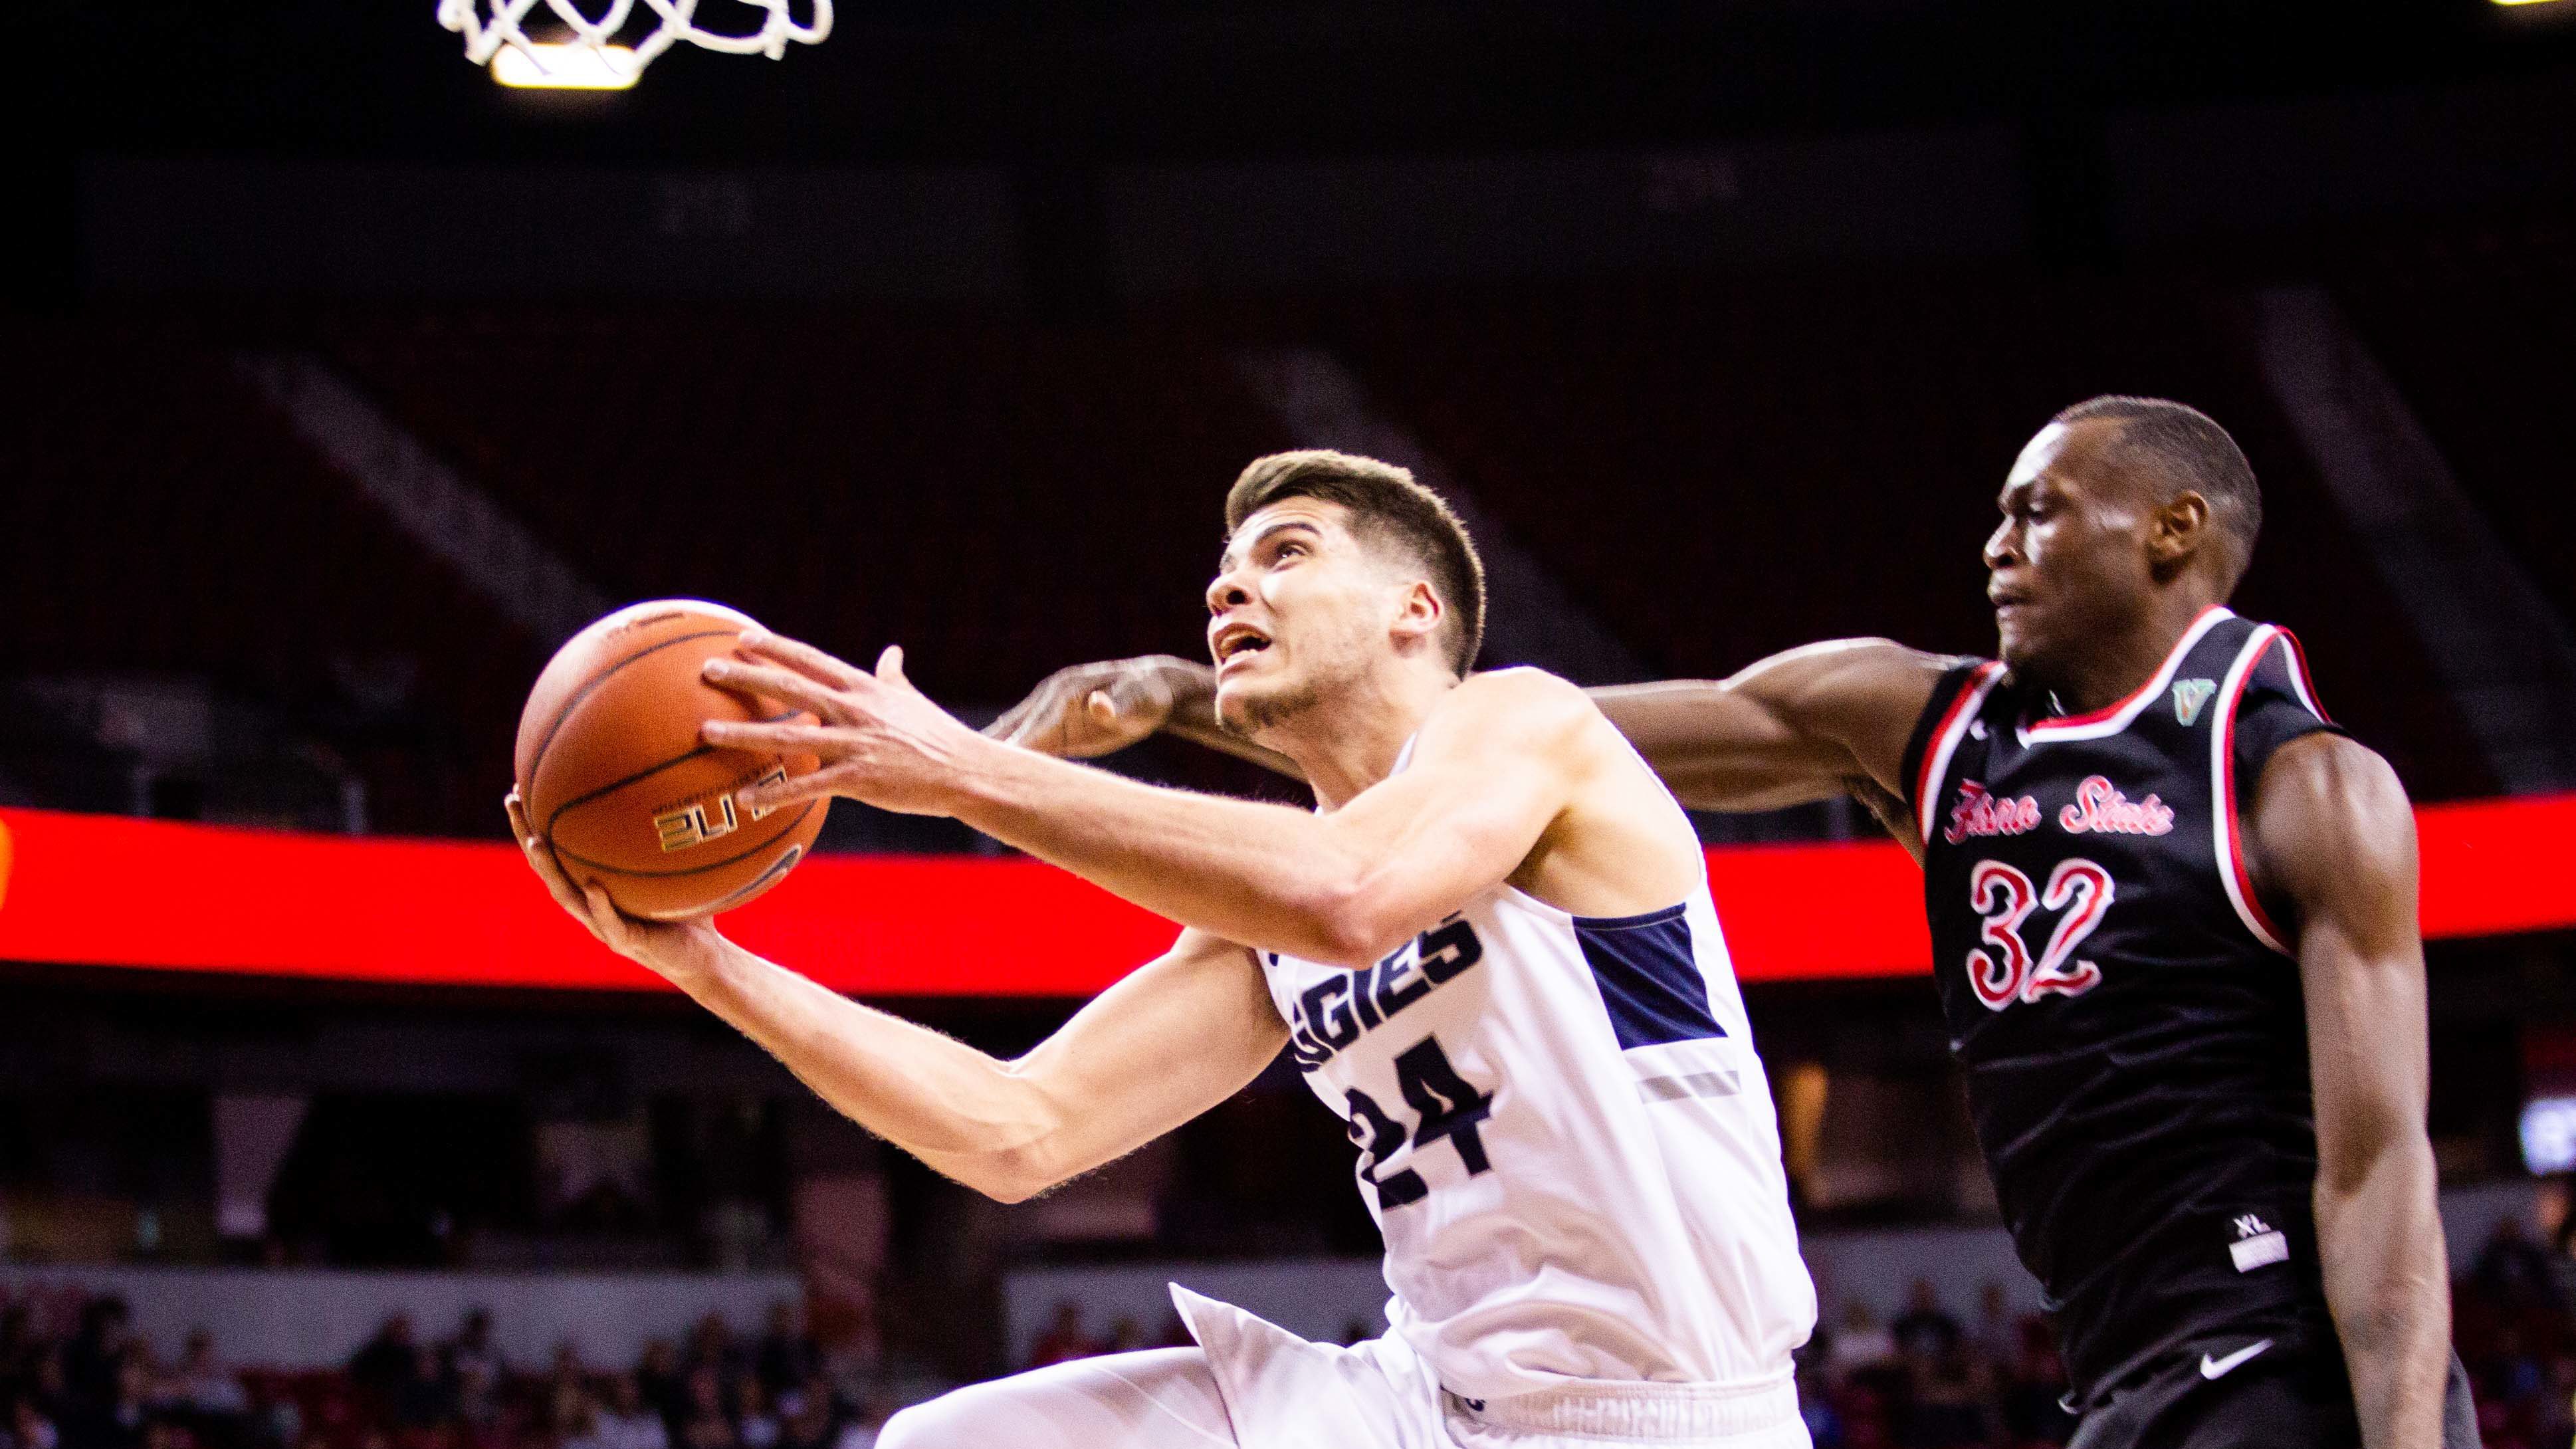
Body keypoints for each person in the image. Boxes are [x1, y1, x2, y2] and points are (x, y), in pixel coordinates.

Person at [992, 399, 2473, 1449]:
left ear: (2173, 530)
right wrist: (1200, 697)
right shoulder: (1925, 718)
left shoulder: (2299, 782)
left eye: (2038, 509)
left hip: (2286, 1348)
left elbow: (2379, 1177)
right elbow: (1491, 738)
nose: (1996, 545)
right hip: (2117, 1352)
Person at [508, 449, 1818, 1447]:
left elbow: (1356, 894)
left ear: (1416, 606)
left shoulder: (1529, 728)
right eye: (1225, 566)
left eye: (1287, 552)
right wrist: (707, 963)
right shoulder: (1267, 902)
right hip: (1420, 1404)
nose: (1229, 583)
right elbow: (1018, 1131)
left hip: (1672, 1416)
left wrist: (962, 771)